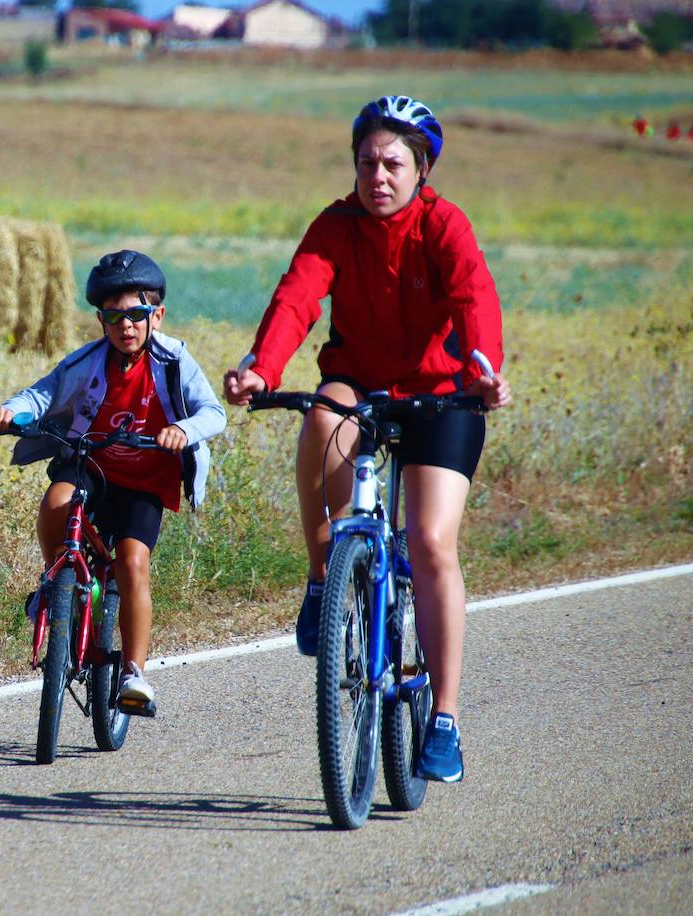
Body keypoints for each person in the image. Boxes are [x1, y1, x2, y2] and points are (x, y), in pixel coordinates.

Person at [222, 96, 512, 783]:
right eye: (365, 163)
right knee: (323, 416)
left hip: (443, 392)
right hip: (360, 381)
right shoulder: (337, 224)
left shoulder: (443, 224)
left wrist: (484, 369)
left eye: (392, 165)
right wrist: (261, 370)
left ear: (421, 170)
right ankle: (324, 578)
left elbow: (474, 296)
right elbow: (297, 297)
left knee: (431, 542)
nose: (377, 176)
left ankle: (445, 719)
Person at [0, 250, 225, 709]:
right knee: (56, 501)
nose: (126, 326)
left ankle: (134, 673)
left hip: (147, 478)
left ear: (157, 315)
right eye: (114, 317)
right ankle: (56, 583)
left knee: (132, 563)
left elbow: (214, 413)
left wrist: (182, 430)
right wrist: (10, 412)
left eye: (136, 315)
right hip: (91, 465)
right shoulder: (87, 362)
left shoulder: (175, 361)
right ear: (100, 320)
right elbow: (41, 394)